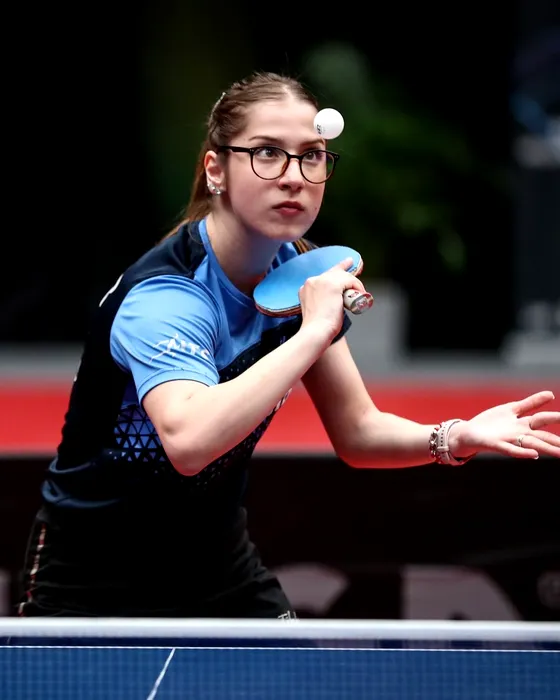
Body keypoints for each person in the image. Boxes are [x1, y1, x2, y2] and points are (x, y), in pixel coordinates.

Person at [19, 71, 559, 618]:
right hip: (94, 578)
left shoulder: (298, 272)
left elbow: (358, 431)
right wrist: (314, 331)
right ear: (216, 169)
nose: (294, 177)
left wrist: (454, 436)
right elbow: (189, 441)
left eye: (311, 156)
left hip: (219, 567)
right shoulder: (168, 295)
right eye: (267, 154)